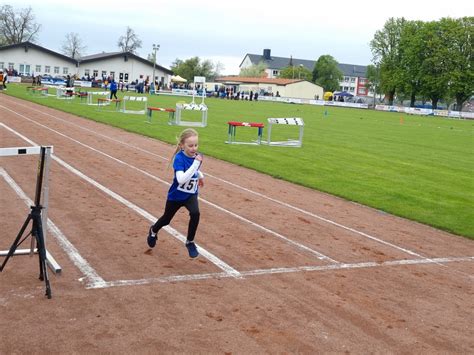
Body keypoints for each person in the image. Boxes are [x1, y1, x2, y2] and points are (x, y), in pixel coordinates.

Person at [147, 128, 204, 258]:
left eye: (196, 145)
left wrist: (200, 176)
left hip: (190, 194)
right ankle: (154, 230)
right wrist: (196, 165)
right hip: (176, 196)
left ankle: (190, 241)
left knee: (195, 213)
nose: (194, 148)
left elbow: (195, 169)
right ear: (182, 145)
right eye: (190, 145)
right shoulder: (179, 158)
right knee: (166, 220)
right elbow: (181, 179)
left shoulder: (197, 157)